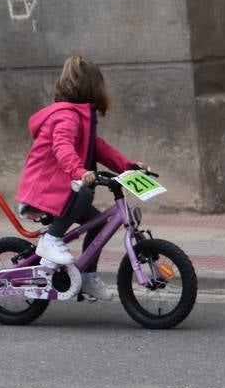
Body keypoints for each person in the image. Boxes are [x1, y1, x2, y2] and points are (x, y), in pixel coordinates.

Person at [15, 55, 145, 302]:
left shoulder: (83, 118)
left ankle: (85, 275)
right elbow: (62, 146)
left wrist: (128, 166)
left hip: (59, 191)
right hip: (44, 193)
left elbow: (99, 148)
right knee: (83, 192)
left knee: (98, 223)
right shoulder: (66, 116)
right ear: (92, 88)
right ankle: (51, 239)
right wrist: (78, 172)